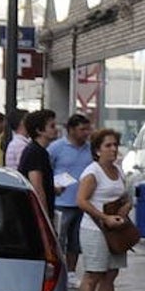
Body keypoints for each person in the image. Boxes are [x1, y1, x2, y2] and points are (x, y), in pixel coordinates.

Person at [74, 128, 134, 291]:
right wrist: (103, 217)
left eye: (115, 145)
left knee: (111, 274)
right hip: (94, 230)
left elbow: (125, 196)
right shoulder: (93, 172)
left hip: (115, 231)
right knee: (93, 275)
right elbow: (81, 200)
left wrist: (124, 210)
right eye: (108, 145)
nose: (113, 149)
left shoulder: (118, 171)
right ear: (97, 150)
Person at [47, 114, 94, 274]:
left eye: (88, 129)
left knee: (76, 241)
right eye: (82, 129)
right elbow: (46, 170)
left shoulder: (90, 149)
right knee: (59, 239)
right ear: (71, 130)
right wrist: (54, 185)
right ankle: (58, 272)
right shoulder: (56, 148)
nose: (86, 133)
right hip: (61, 202)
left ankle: (72, 272)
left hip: (83, 202)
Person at [16, 109, 58, 207]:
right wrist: (44, 216)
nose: (56, 129)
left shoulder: (37, 150)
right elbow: (37, 187)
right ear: (39, 130)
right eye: (52, 126)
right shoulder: (36, 152)